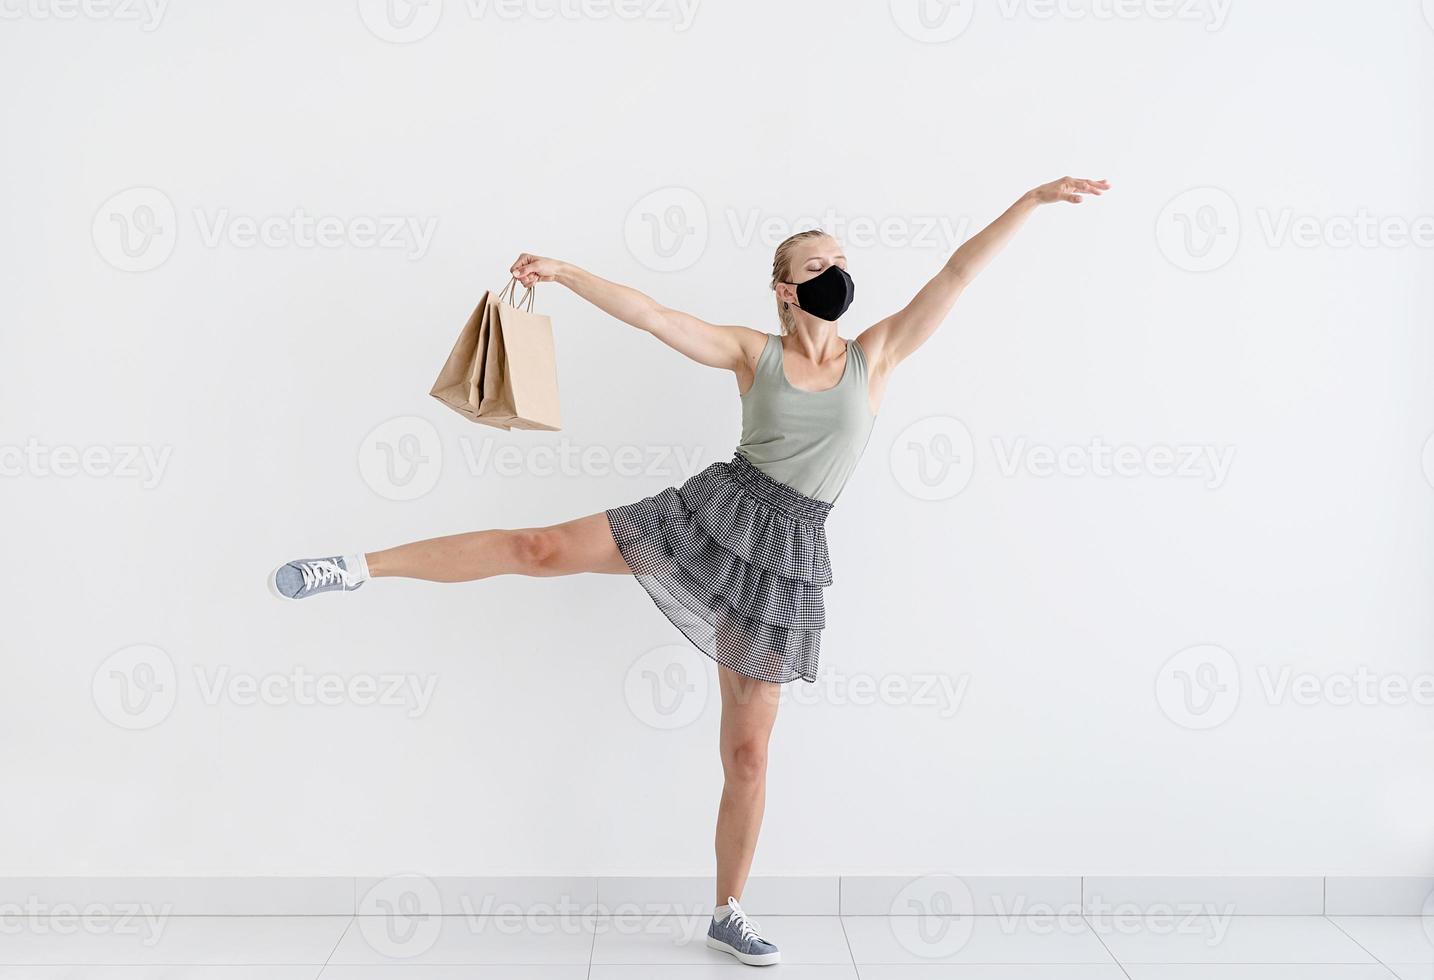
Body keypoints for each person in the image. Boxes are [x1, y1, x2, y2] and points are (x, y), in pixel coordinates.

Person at [269, 176, 1109, 966]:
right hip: (713, 512)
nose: (837, 275)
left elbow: (957, 271)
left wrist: (1031, 200)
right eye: (818, 265)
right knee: (540, 548)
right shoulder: (755, 351)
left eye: (842, 263)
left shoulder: (875, 355)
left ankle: (727, 911)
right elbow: (652, 316)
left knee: (747, 753)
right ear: (784, 288)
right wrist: (564, 272)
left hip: (788, 559)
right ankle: (354, 565)